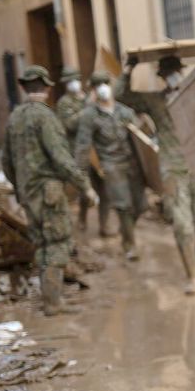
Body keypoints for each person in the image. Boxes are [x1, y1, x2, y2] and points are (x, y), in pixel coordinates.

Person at [116, 49, 195, 294]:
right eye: (167, 74)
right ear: (162, 76)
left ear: (182, 73)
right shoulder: (154, 101)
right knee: (183, 226)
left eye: (175, 73)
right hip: (173, 170)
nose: (171, 77)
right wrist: (129, 68)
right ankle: (191, 275)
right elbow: (121, 95)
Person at [2, 65, 99, 315]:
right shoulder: (45, 117)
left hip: (27, 193)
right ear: (46, 88)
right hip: (49, 193)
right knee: (57, 243)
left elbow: (6, 161)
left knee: (41, 245)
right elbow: (60, 157)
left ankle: (51, 299)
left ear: (23, 87)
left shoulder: (14, 118)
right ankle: (53, 303)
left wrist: (18, 188)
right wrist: (84, 186)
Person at [75, 71, 147, 261]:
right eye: (98, 85)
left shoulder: (124, 111)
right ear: (93, 90)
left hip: (132, 164)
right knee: (123, 206)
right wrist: (82, 180)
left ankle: (126, 230)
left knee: (141, 205)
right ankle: (129, 245)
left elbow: (141, 138)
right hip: (111, 164)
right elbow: (83, 147)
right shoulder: (89, 115)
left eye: (105, 83)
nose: (103, 88)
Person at [56, 65, 110, 235]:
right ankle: (82, 219)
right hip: (79, 151)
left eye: (76, 80)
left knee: (104, 187)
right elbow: (70, 124)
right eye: (70, 81)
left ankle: (104, 225)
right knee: (84, 188)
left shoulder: (87, 98)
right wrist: (88, 107)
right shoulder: (64, 103)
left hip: (96, 149)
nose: (74, 84)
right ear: (66, 84)